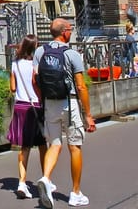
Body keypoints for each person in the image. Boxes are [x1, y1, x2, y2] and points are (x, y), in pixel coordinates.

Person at [36, 18, 96, 209]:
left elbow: (35, 79)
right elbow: (81, 86)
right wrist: (88, 114)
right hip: (69, 103)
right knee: (75, 147)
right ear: (64, 32)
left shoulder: (40, 51)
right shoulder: (71, 53)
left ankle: (46, 179)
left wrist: (41, 98)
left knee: (54, 144)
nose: (71, 32)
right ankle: (75, 193)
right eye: (70, 29)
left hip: (49, 103)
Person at [7, 35, 43, 199]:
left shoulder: (14, 64)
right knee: (43, 144)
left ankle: (22, 181)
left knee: (24, 147)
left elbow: (13, 88)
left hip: (20, 106)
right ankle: (45, 178)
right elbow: (37, 85)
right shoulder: (36, 65)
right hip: (35, 106)